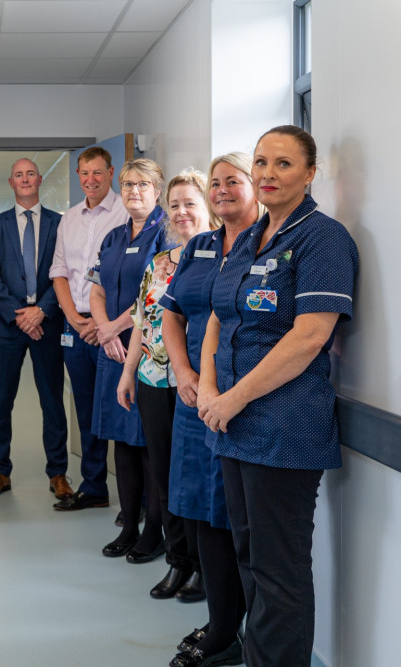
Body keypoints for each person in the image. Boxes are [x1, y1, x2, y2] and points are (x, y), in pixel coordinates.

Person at [198, 126, 358, 666]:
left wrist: (233, 397)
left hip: (283, 427)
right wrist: (207, 386)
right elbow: (222, 314)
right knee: (248, 558)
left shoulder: (323, 238)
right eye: (261, 162)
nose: (268, 174)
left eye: (283, 164)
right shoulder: (248, 237)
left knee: (279, 570)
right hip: (233, 423)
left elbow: (310, 336)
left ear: (310, 173)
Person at [161, 153, 259, 666]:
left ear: (255, 186)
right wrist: (183, 373)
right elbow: (172, 315)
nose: (221, 190)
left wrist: (215, 387)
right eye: (214, 182)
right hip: (191, 398)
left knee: (234, 518)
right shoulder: (199, 247)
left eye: (232, 181)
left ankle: (234, 630)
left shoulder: (266, 243)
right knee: (200, 510)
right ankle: (222, 624)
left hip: (240, 401)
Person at [116, 169, 212, 605]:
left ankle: (203, 564)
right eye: (174, 205)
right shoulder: (159, 264)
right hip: (154, 379)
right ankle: (179, 559)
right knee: (164, 470)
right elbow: (142, 322)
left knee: (196, 475)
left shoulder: (222, 259)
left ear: (207, 206)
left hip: (198, 382)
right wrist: (127, 372)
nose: (182, 212)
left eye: (190, 203)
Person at [88, 158, 173, 559]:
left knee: (148, 446)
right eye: (127, 184)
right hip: (113, 350)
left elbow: (155, 297)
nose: (134, 191)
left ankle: (154, 529)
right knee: (121, 441)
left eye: (142, 184)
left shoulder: (167, 234)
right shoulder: (113, 237)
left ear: (158, 189)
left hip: (147, 352)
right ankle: (128, 522)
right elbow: (96, 288)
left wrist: (118, 328)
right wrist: (105, 330)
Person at [0, 158, 71, 503]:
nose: (25, 179)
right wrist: (19, 316)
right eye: (18, 174)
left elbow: (63, 270)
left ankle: (58, 473)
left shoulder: (59, 224)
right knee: (1, 401)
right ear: (11, 182)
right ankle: (0, 472)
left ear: (39, 179)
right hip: (7, 326)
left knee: (52, 400)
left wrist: (42, 310)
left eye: (31, 173)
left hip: (47, 323)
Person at [51, 146, 129, 512]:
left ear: (110, 173)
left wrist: (102, 326)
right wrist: (73, 318)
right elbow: (60, 272)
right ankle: (94, 485)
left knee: (125, 409)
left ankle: (139, 498)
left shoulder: (126, 212)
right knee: (86, 410)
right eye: (84, 173)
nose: (90, 180)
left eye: (98, 173)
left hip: (116, 329)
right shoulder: (69, 218)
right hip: (78, 326)